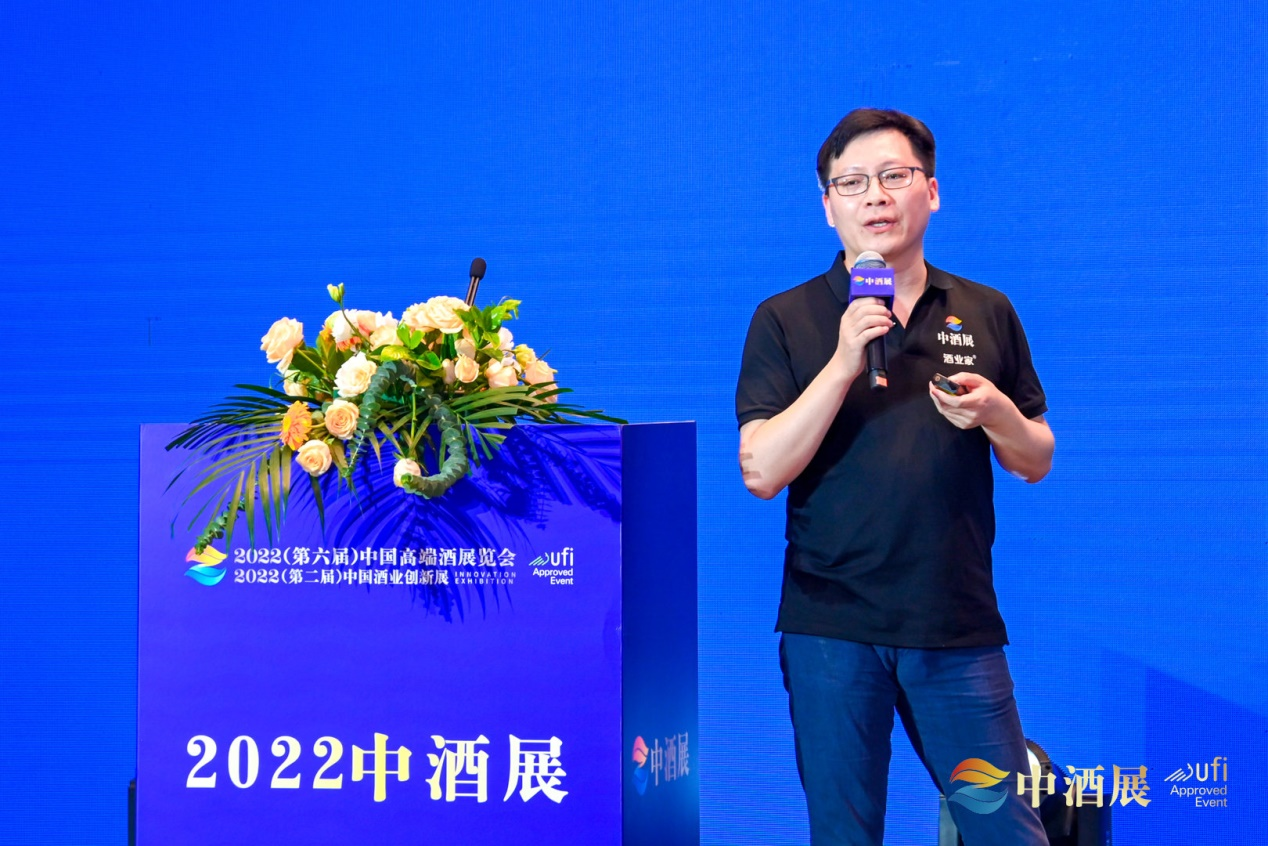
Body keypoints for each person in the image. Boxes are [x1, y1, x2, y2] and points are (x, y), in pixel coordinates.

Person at [735, 108, 1054, 845]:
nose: (874, 196)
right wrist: (843, 362)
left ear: (931, 191)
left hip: (955, 624)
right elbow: (761, 470)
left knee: (1006, 832)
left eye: (893, 176)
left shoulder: (985, 310)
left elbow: (1035, 458)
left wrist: (998, 412)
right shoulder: (786, 318)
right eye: (851, 182)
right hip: (831, 629)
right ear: (828, 206)